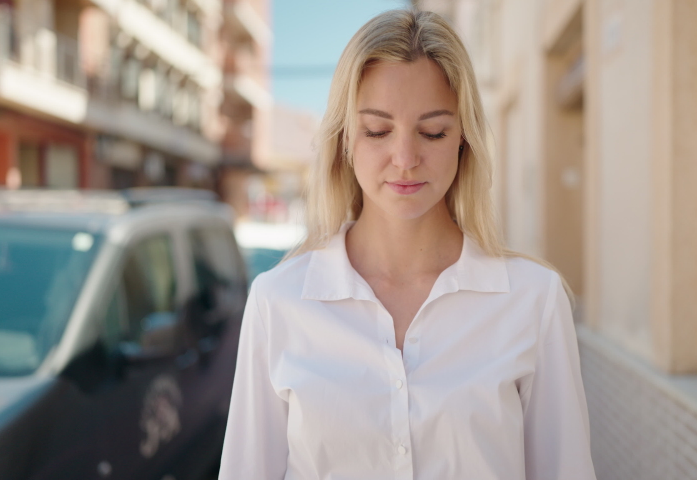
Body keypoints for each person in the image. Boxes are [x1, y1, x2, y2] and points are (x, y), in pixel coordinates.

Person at [219, 8, 596, 480]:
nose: (405, 159)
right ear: (345, 141)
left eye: (433, 131)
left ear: (464, 139)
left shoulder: (534, 301)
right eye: (378, 131)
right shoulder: (278, 304)